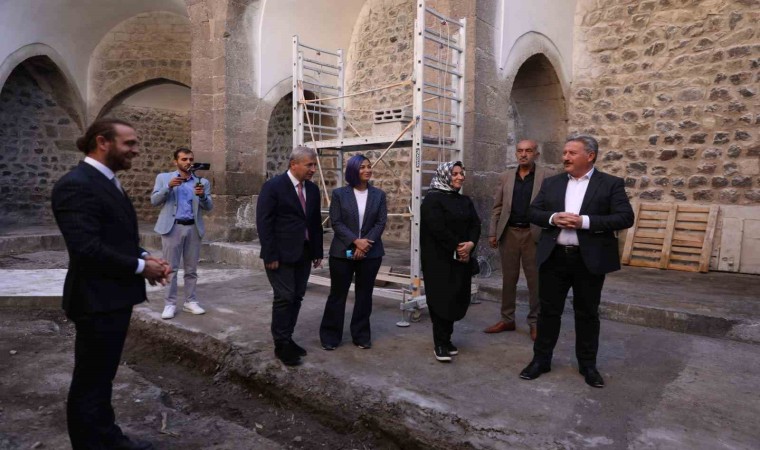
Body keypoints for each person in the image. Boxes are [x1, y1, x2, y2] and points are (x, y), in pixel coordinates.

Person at [51, 118, 170, 450]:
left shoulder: (106, 181)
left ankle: (106, 438)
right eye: (129, 143)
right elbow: (87, 249)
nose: (136, 150)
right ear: (102, 142)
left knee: (102, 378)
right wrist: (141, 267)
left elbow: (115, 236)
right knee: (91, 381)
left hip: (111, 298)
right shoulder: (76, 185)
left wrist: (145, 256)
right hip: (95, 300)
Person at [519, 135, 634, 388]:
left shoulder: (610, 184)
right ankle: (541, 360)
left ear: (590, 156)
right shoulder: (552, 183)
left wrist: (585, 222)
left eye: (572, 153)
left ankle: (588, 365)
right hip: (554, 258)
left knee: (587, 314)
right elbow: (533, 211)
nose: (565, 157)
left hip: (588, 260)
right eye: (564, 153)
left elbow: (625, 217)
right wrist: (553, 218)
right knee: (548, 312)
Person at [256, 146, 324, 366]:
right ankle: (281, 345)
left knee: (297, 296)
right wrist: (270, 254)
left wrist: (317, 251)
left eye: (314, 165)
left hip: (304, 252)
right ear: (294, 164)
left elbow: (314, 222)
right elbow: (264, 223)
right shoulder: (273, 187)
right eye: (309, 165)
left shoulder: (312, 189)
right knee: (284, 297)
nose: (313, 169)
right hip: (280, 254)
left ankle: (288, 338)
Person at [484, 139, 555, 341]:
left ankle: (535, 322)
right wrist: (493, 233)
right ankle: (507, 319)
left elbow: (553, 206)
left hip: (534, 235)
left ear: (536, 154)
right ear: (516, 153)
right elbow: (497, 207)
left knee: (535, 281)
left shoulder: (548, 176)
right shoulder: (506, 177)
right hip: (509, 234)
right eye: (520, 151)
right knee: (508, 279)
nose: (523, 154)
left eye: (528, 151)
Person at [320, 155, 387, 350]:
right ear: (353, 170)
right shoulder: (339, 194)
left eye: (369, 166)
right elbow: (336, 222)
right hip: (344, 253)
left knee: (364, 295)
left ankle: (361, 335)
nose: (367, 170)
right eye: (362, 167)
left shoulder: (379, 195)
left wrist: (364, 245)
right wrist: (355, 242)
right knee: (338, 294)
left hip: (370, 253)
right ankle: (330, 336)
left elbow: (380, 222)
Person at [420, 161, 481, 362]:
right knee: (440, 299)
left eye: (461, 173)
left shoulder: (464, 200)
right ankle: (440, 342)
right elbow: (437, 229)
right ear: (445, 175)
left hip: (461, 258)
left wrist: (470, 244)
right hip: (439, 260)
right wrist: (458, 247)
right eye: (455, 174)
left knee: (455, 297)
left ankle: (447, 339)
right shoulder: (432, 200)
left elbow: (475, 224)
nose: (460, 177)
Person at [151, 147, 213, 320]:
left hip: (193, 228)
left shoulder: (201, 182)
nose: (188, 162)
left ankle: (190, 301)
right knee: (171, 268)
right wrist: (168, 187)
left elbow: (209, 207)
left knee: (191, 269)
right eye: (184, 159)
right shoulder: (163, 178)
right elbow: (154, 201)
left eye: (190, 159)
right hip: (172, 228)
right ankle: (170, 304)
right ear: (176, 161)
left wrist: (203, 196)